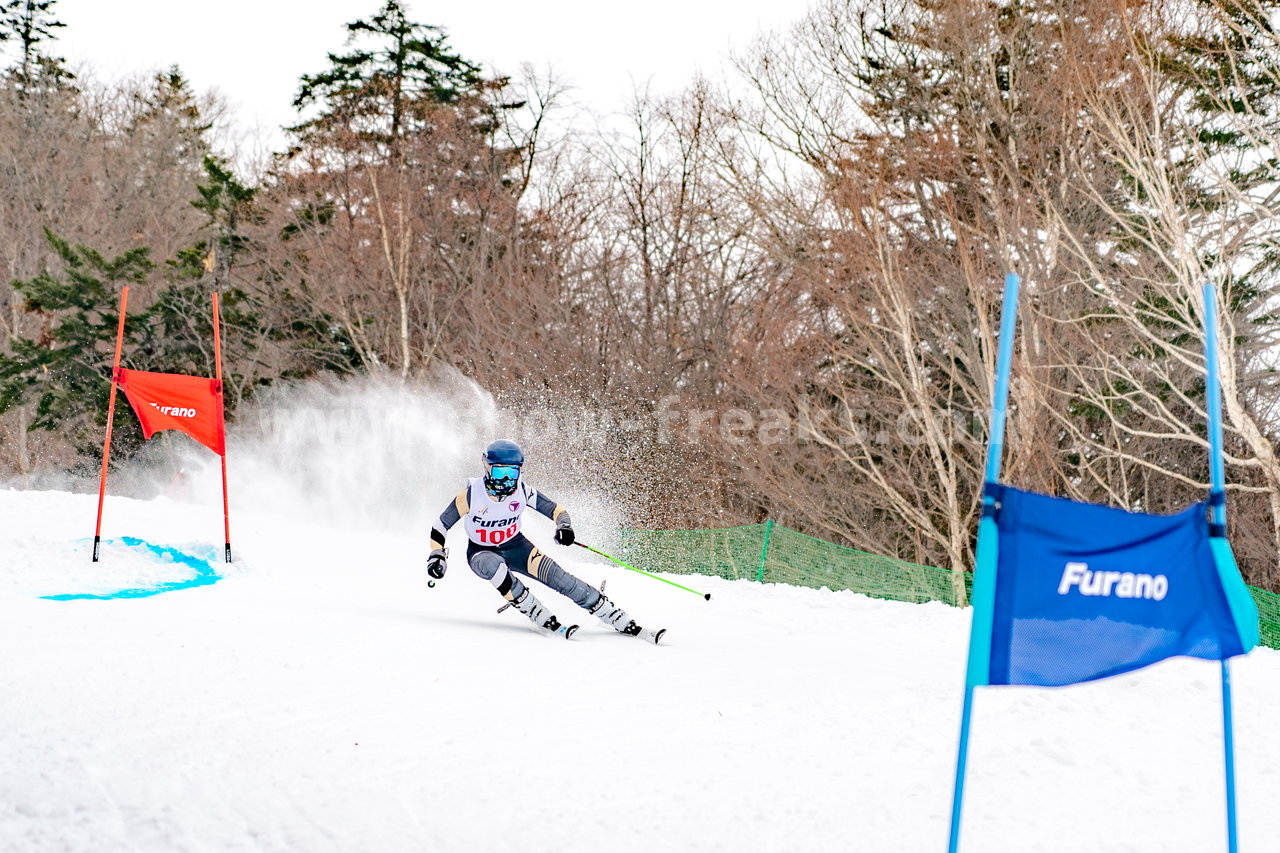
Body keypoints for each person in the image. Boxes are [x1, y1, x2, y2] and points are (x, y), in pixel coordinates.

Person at [427, 439, 664, 643]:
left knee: (561, 579)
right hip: (481, 552)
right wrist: (436, 555)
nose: (507, 480)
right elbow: (440, 526)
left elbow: (557, 510)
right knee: (495, 567)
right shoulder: (472, 494)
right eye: (500, 472)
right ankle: (532, 609)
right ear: (486, 467)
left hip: (516, 546)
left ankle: (612, 614)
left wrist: (564, 527)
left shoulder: (523, 491)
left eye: (513, 472)